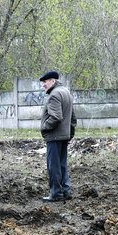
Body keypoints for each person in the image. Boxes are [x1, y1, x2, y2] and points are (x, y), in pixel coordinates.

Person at [38, 70, 76, 202]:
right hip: (64, 136)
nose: (43, 85)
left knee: (53, 166)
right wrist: (70, 133)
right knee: (62, 165)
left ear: (53, 81)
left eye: (45, 82)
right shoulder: (66, 92)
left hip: (54, 136)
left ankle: (56, 193)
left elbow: (56, 117)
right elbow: (73, 117)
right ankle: (66, 191)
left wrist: (44, 128)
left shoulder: (54, 95)